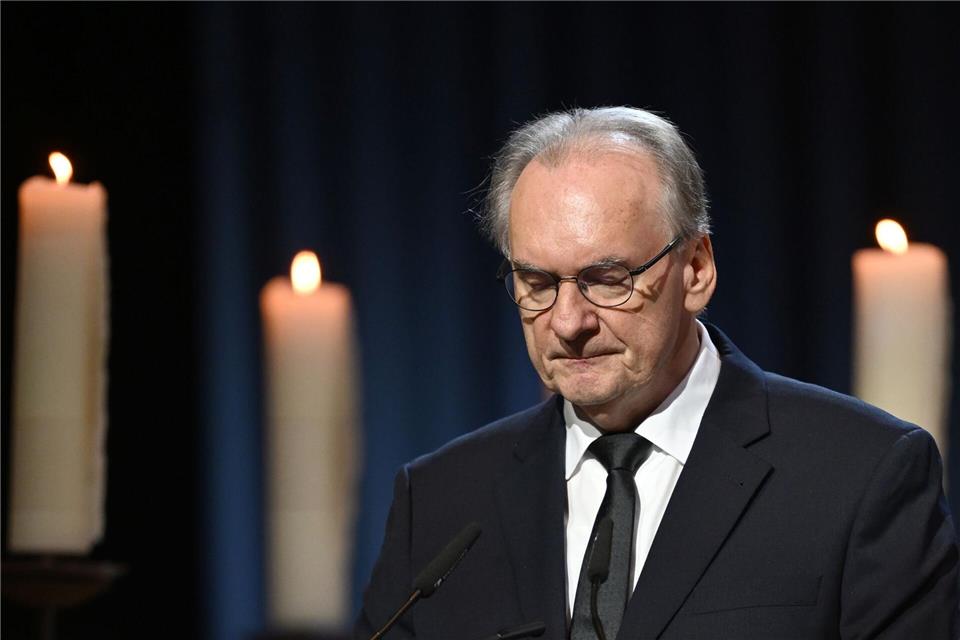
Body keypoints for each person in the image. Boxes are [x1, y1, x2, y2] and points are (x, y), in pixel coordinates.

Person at [355, 107, 958, 639]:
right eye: (537, 284)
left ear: (695, 270)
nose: (568, 322)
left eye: (607, 280)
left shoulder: (861, 474)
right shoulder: (439, 501)